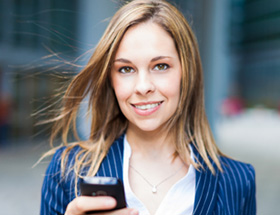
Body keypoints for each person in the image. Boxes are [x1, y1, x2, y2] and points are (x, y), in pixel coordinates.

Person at [40, 0, 256, 214]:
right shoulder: (66, 171)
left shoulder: (238, 182)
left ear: (186, 73)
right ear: (111, 80)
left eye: (160, 66)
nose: (143, 87)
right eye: (126, 69)